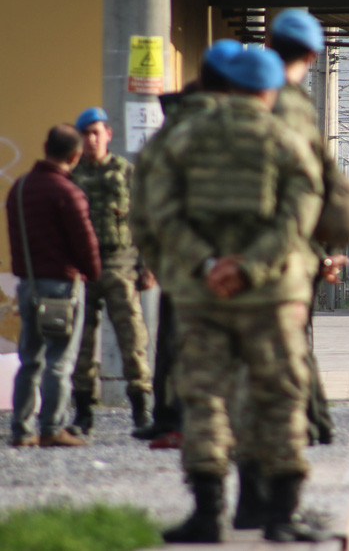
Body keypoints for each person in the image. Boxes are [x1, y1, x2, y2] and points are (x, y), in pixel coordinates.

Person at [147, 47, 329, 543]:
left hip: (202, 296)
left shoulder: (180, 140)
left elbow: (157, 211)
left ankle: (207, 514)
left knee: (204, 398)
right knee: (280, 398)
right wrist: (249, 267)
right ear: (268, 91)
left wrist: (205, 265)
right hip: (269, 297)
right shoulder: (285, 142)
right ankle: (281, 515)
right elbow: (301, 213)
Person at [228, 9, 349, 531]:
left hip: (231, 264)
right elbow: (305, 194)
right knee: (284, 386)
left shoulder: (233, 103)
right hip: (283, 266)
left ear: (269, 42)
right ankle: (281, 511)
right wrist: (323, 251)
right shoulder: (291, 107)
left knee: (245, 383)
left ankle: (246, 501)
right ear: (311, 57)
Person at [130, 39, 244, 448]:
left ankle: (169, 419)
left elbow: (144, 203)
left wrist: (153, 258)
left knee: (172, 341)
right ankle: (210, 425)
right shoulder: (239, 127)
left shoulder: (170, 128)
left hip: (181, 259)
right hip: (229, 261)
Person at [6, 124, 102, 448]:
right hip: (62, 287)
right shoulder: (69, 192)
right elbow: (85, 242)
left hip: (27, 284)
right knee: (59, 361)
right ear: (74, 157)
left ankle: (21, 429)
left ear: (45, 146)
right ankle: (52, 427)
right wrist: (93, 272)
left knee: (30, 359)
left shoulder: (19, 188)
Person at [69, 107, 153, 436]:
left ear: (108, 135)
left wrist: (147, 267)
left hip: (121, 264)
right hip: (83, 268)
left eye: (96, 132)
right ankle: (84, 413)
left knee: (133, 339)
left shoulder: (126, 173)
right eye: (86, 134)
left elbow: (145, 222)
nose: (91, 139)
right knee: (83, 344)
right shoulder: (73, 176)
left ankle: (141, 410)